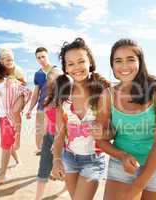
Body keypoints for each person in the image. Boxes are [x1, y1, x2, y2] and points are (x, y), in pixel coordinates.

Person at [91, 39, 156, 200]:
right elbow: (100, 139)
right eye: (118, 61)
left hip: (155, 167)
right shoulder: (107, 95)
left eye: (130, 59)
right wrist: (122, 156)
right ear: (112, 66)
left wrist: (138, 185)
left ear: (140, 62)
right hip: (120, 166)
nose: (124, 66)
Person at [51, 38, 110, 199]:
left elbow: (111, 131)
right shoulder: (63, 95)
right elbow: (60, 133)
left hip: (94, 159)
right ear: (65, 68)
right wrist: (56, 159)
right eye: (70, 64)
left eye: (80, 61)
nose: (76, 67)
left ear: (90, 62)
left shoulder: (102, 92)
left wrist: (103, 132)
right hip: (68, 158)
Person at [35, 68, 67, 200]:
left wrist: (58, 142)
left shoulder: (67, 100)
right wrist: (44, 137)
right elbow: (47, 120)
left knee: (67, 168)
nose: (53, 82)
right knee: (44, 166)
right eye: (50, 79)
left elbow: (66, 124)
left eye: (57, 79)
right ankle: (37, 198)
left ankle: (66, 189)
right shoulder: (47, 99)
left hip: (65, 139)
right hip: (49, 136)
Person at [26, 47, 55, 155]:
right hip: (41, 107)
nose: (41, 59)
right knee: (39, 133)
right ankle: (42, 153)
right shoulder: (38, 74)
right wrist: (29, 109)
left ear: (47, 56)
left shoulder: (57, 71)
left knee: (53, 133)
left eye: (43, 56)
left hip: (54, 107)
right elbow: (35, 94)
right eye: (38, 58)